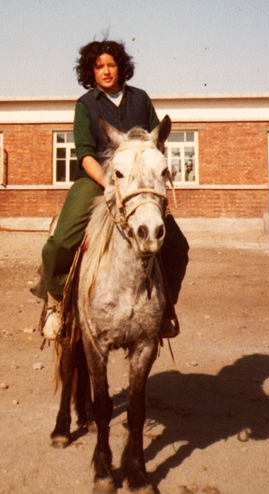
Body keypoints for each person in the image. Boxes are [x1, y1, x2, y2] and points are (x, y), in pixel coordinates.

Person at [41, 38, 189, 340]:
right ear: (91, 72)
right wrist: (110, 182)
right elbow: (84, 155)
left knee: (177, 247)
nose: (106, 71)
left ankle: (165, 308)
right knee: (60, 243)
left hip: (137, 185)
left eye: (111, 64)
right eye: (99, 67)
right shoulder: (85, 105)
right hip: (96, 180)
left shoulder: (140, 99)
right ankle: (56, 303)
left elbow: (156, 142)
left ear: (121, 67)